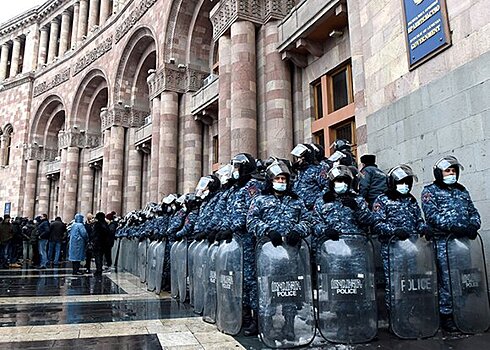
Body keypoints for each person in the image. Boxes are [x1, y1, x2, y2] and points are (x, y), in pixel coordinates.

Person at [247, 159, 311, 340]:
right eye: (278, 179)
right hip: (268, 255)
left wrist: (298, 231)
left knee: (289, 290)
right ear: (270, 180)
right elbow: (250, 221)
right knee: (268, 290)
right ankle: (266, 326)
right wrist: (267, 231)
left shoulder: (296, 201)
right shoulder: (259, 200)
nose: (281, 182)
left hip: (291, 254)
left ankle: (289, 326)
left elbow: (308, 221)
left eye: (283, 179)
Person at [421, 156, 481, 332]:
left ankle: (462, 312)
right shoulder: (430, 191)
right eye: (448, 171)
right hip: (444, 243)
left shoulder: (462, 191)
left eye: (454, 171)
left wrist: (473, 225)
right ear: (439, 173)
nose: (451, 174)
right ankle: (446, 315)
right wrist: (452, 226)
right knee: (447, 279)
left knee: (462, 277)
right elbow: (431, 215)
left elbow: (473, 212)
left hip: (463, 243)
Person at [216, 153, 263, 336]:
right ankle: (244, 316)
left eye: (237, 167)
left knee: (251, 281)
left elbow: (251, 213)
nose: (235, 171)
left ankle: (258, 319)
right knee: (239, 279)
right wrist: (225, 229)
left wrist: (234, 227)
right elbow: (230, 214)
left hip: (249, 241)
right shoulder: (236, 189)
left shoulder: (253, 187)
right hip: (236, 241)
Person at [372, 164, 428, 313]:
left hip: (412, 248)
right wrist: (394, 231)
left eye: (407, 183)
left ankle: (410, 311)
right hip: (393, 249)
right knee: (395, 282)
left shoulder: (411, 200)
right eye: (400, 182)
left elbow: (418, 219)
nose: (404, 186)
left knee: (410, 281)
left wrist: (423, 228)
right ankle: (395, 315)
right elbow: (377, 224)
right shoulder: (382, 200)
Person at [92, 212, 112, 277]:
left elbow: (94, 234)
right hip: (105, 244)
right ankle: (100, 269)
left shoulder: (97, 224)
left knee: (98, 257)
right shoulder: (106, 224)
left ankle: (99, 270)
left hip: (98, 244)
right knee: (102, 257)